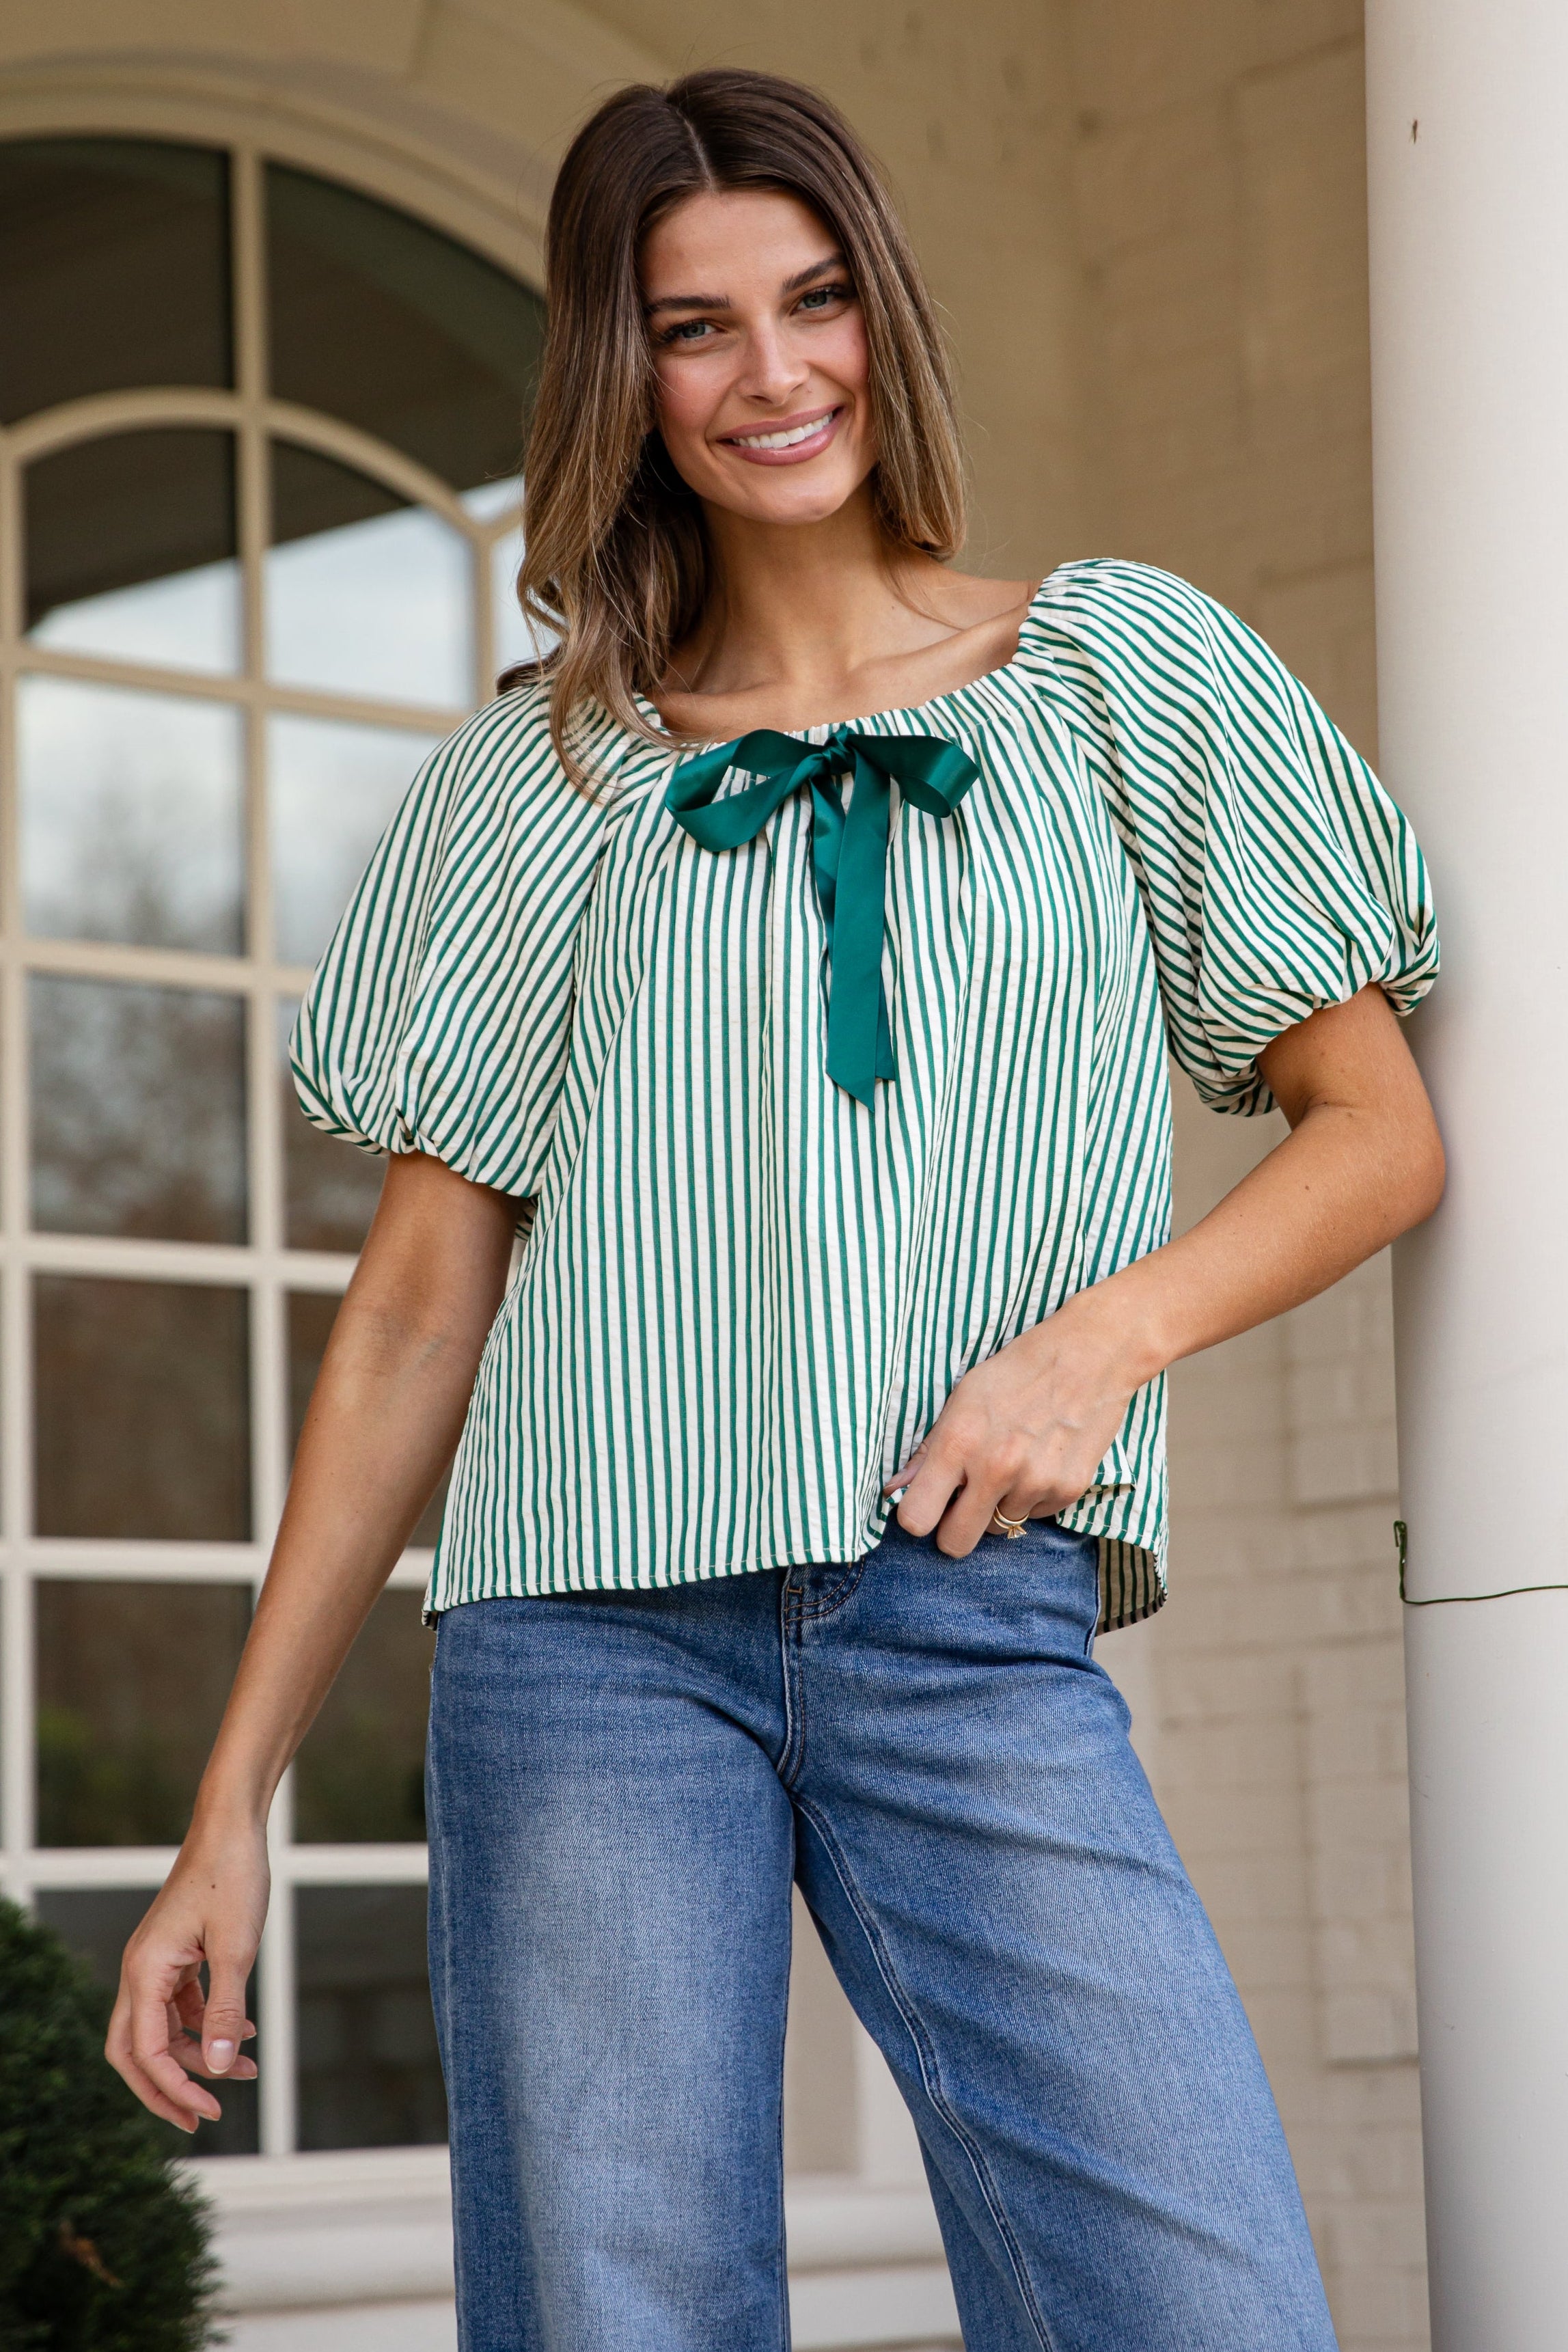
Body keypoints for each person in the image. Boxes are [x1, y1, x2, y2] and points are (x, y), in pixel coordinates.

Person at [109, 68, 1443, 2352]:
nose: (773, 371)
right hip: (585, 1644)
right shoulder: (540, 780)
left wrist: (1090, 1348)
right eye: (694, 326)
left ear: (882, 315)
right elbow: (419, 1308)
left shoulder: (1120, 673)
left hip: (965, 1609)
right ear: (621, 376)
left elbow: (1374, 1127)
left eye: (814, 300)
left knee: (1200, 2299)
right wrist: (231, 1798)